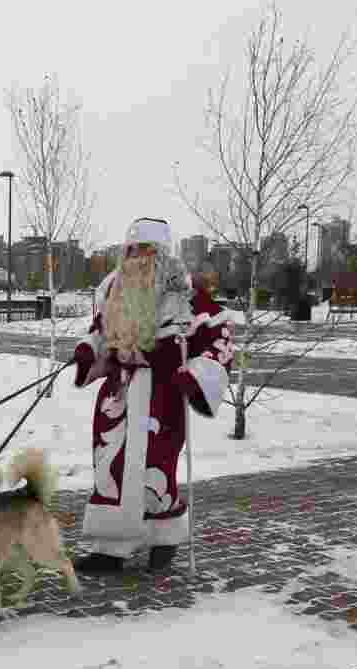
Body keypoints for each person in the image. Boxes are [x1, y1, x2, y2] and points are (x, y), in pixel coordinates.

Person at [70, 218, 240, 574]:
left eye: (147, 250)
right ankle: (109, 549)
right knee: (110, 469)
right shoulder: (112, 289)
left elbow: (219, 337)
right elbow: (99, 332)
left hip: (161, 394)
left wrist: (197, 375)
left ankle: (163, 539)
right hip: (117, 394)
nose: (138, 258)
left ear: (162, 254)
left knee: (155, 469)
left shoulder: (186, 295)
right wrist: (88, 350)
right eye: (132, 250)